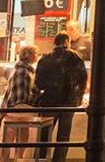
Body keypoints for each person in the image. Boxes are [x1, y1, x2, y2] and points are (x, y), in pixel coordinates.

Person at [35, 32, 87, 162]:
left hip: (49, 101)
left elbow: (39, 83)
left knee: (45, 134)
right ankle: (59, 160)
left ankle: (42, 159)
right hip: (68, 102)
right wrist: (78, 97)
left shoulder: (45, 58)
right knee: (63, 136)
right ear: (67, 42)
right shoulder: (76, 57)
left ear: (55, 42)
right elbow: (83, 79)